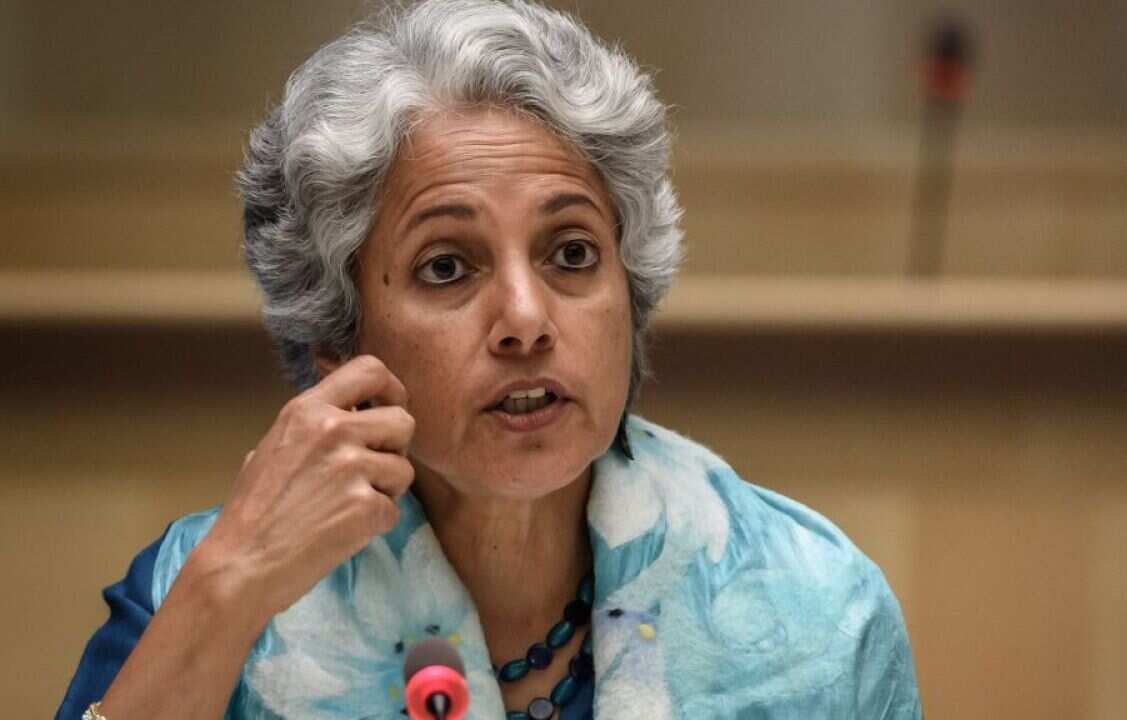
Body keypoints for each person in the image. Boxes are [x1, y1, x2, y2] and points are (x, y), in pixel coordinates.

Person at [56, 1, 923, 718]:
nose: (524, 319)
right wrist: (230, 587)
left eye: (573, 254)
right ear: (338, 335)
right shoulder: (199, 587)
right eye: (447, 267)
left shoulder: (818, 612)